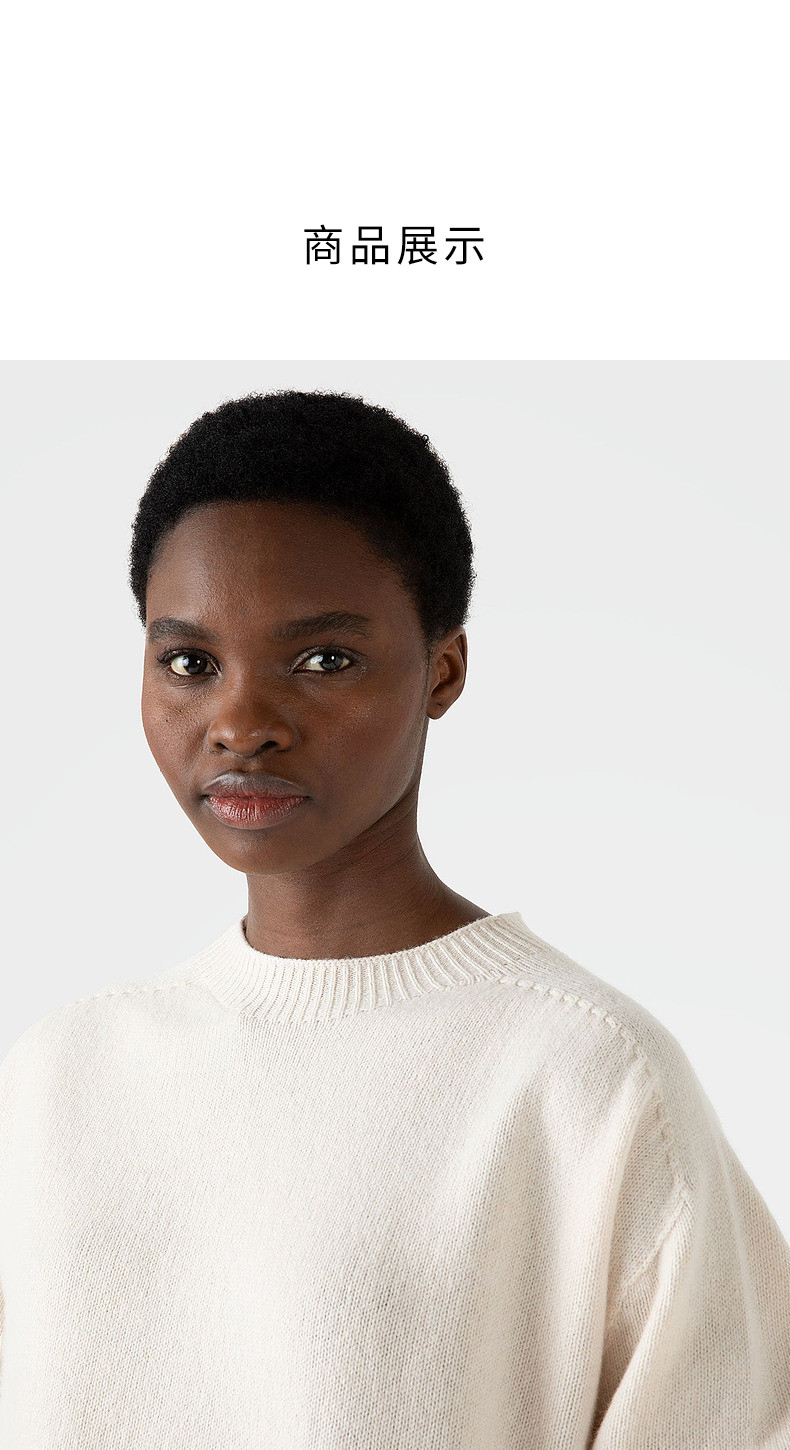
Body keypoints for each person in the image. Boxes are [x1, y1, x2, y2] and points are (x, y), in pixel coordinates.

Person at [0, 389, 788, 1449]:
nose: (240, 722)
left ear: (442, 671)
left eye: (324, 659)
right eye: (189, 662)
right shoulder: (60, 1077)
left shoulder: (584, 1078)